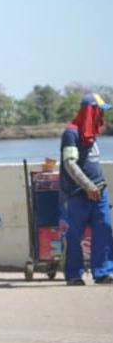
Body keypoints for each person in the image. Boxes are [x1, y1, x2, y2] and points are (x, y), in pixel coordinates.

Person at [60, 93, 111, 286]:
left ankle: (103, 272)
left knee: (104, 228)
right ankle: (73, 274)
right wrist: (87, 185)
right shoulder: (71, 133)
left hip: (100, 191)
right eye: (99, 112)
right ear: (90, 111)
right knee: (74, 234)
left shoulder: (92, 134)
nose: (101, 117)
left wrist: (96, 186)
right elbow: (69, 163)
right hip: (77, 193)